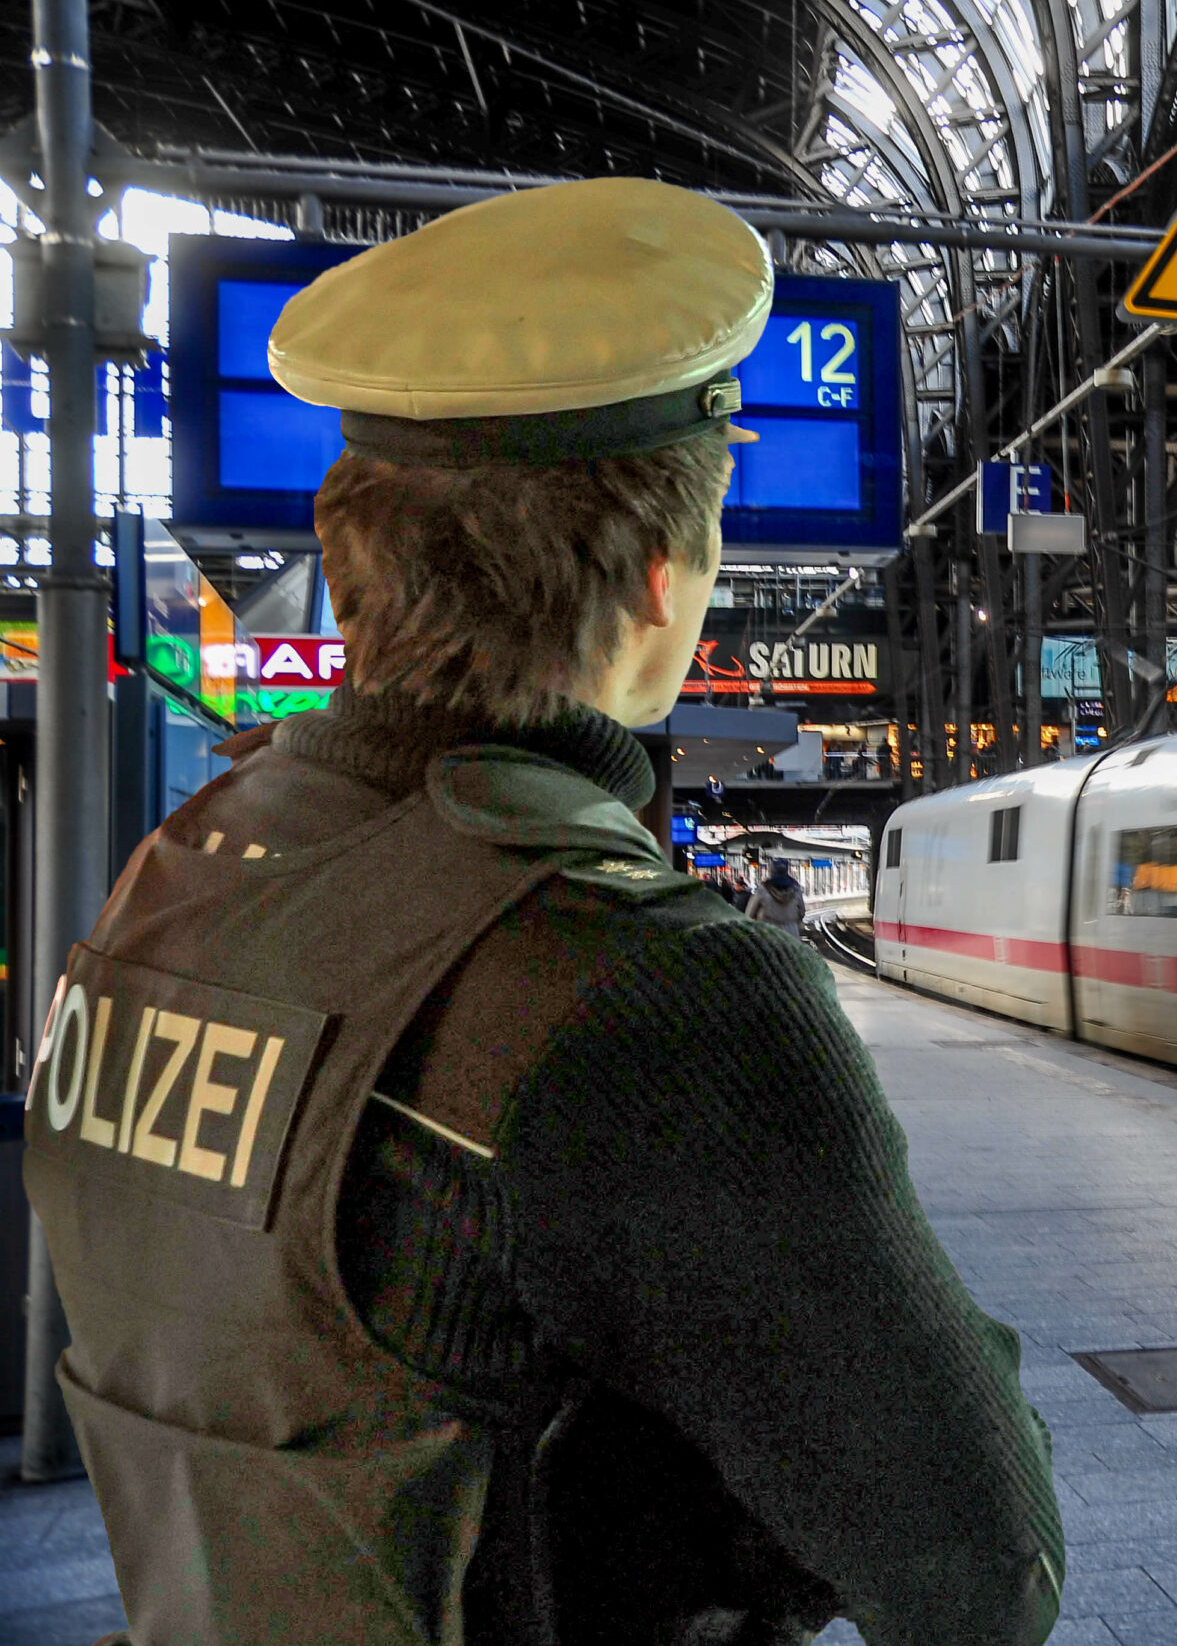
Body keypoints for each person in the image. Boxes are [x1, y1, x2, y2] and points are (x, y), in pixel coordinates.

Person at [23, 179, 1062, 1646]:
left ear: (354, 551)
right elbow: (983, 1564)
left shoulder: (173, 874)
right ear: (659, 580)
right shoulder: (648, 990)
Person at [748, 860, 808, 937]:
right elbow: (802, 912)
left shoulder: (762, 890)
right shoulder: (796, 890)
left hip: (767, 934)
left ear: (771, 871)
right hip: (791, 934)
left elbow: (749, 914)